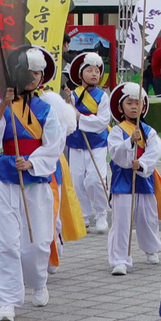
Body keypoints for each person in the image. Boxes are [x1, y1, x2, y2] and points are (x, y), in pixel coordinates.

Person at [0, 47, 75, 321]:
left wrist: (33, 162)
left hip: (35, 178)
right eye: (29, 72)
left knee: (36, 243)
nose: (33, 78)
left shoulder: (47, 109)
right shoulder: (2, 103)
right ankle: (7, 300)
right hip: (5, 176)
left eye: (38, 73)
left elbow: (55, 145)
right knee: (4, 241)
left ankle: (39, 280)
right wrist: (2, 105)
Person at [108, 82, 161, 274]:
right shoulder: (117, 131)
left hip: (143, 177)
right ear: (120, 107)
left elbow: (155, 151)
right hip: (123, 178)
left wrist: (141, 164)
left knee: (147, 218)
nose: (134, 107)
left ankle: (151, 249)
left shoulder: (149, 131)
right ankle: (120, 259)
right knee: (122, 220)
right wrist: (129, 143)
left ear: (143, 107)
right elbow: (115, 153)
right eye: (129, 103)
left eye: (137, 103)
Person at [66, 52, 112, 234]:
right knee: (77, 181)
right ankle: (83, 215)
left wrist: (80, 117)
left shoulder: (103, 96)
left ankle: (101, 213)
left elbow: (102, 121)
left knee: (95, 179)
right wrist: (70, 111)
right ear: (80, 74)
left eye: (97, 71)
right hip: (76, 143)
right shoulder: (72, 96)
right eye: (90, 70)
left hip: (97, 144)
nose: (94, 74)